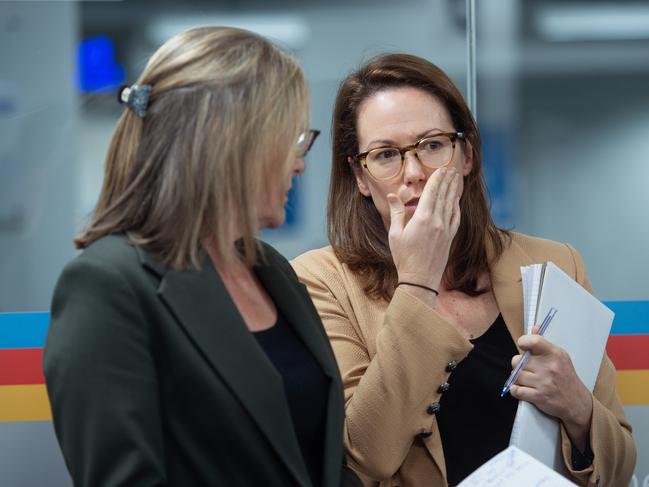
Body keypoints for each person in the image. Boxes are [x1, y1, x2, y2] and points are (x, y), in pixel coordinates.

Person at [291, 53, 636, 487]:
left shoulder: (555, 264)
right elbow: (366, 456)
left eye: (433, 145)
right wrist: (418, 281)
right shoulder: (320, 280)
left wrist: (578, 408)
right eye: (385, 155)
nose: (414, 173)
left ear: (466, 155)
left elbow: (620, 467)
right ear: (360, 177)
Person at [44, 26, 360, 487]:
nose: (300, 163)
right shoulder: (107, 287)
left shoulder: (271, 270)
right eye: (293, 139)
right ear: (234, 143)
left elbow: (318, 463)